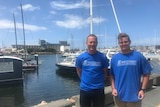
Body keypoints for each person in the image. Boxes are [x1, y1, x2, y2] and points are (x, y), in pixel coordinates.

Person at [109, 33, 152, 107]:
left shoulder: (138, 56)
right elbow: (112, 75)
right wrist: (113, 88)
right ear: (119, 43)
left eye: (126, 42)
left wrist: (142, 89)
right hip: (119, 96)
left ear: (130, 42)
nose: (123, 44)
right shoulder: (114, 58)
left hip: (135, 95)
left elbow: (147, 73)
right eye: (121, 42)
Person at [75, 34, 109, 107]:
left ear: (97, 43)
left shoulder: (102, 57)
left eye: (94, 42)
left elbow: (105, 72)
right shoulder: (81, 58)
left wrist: (99, 81)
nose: (92, 44)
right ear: (86, 43)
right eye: (90, 42)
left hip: (98, 89)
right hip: (85, 89)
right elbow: (79, 71)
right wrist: (84, 80)